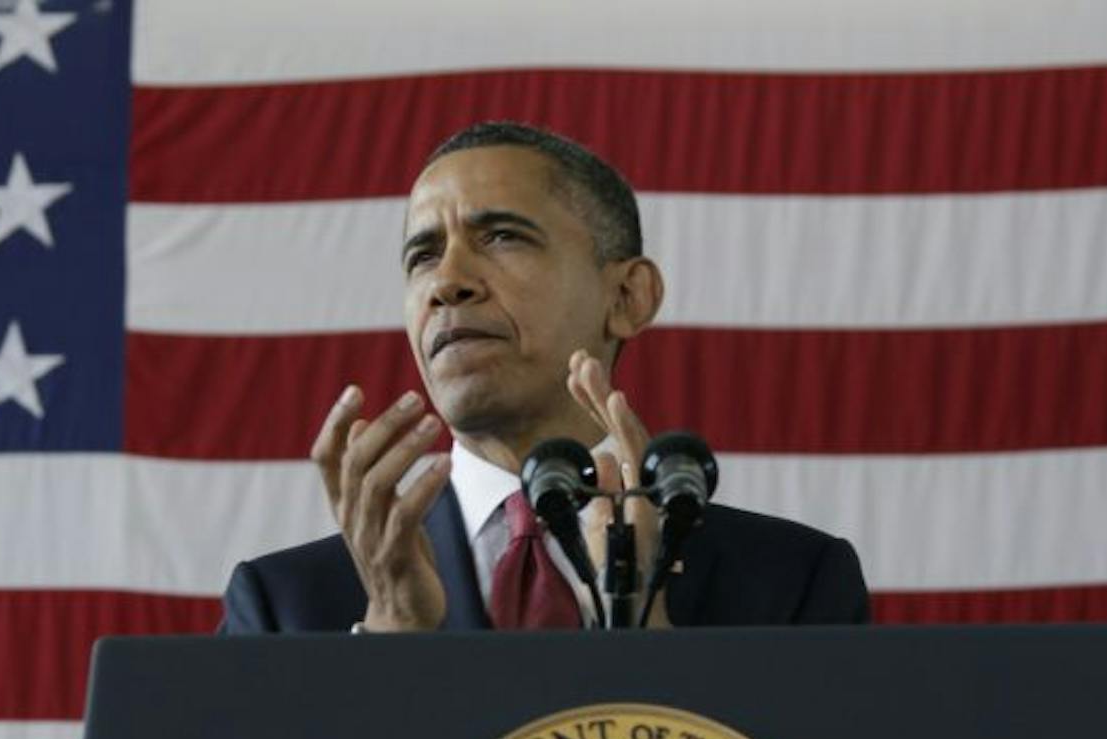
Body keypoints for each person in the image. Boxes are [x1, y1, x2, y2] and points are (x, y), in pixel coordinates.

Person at [220, 121, 868, 633]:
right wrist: (392, 633)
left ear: (627, 298)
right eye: (422, 256)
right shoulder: (285, 608)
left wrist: (646, 632)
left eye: (502, 237)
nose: (447, 283)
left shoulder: (793, 585)